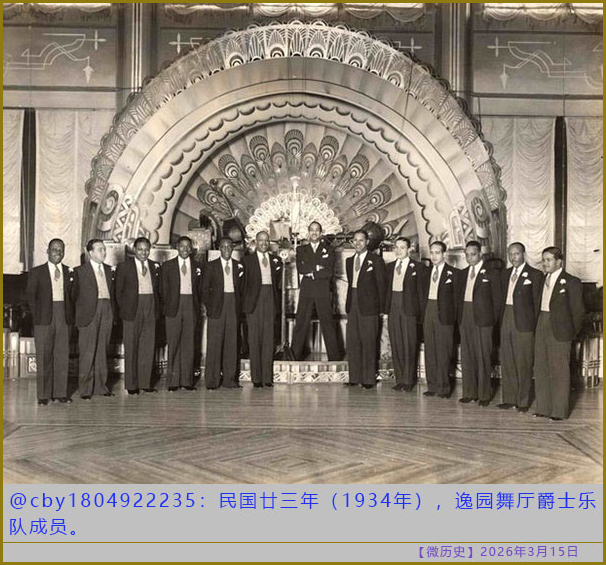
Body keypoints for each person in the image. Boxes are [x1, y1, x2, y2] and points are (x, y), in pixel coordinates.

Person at [533, 246, 584, 421]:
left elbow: (578, 311)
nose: (545, 263)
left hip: (561, 330)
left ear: (559, 262)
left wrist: (571, 333)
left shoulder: (571, 281)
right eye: (543, 260)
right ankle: (543, 408)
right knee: (541, 367)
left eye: (548, 260)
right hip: (541, 324)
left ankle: (559, 411)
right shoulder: (541, 280)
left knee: (559, 370)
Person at [26, 239, 74, 404]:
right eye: (54, 249)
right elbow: (31, 297)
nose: (58, 253)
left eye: (61, 250)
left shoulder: (69, 272)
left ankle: (60, 393)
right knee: (44, 356)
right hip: (44, 318)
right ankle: (43, 395)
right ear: (47, 251)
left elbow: (73, 296)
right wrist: (38, 315)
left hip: (63, 316)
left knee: (62, 355)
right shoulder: (37, 272)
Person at [497, 242, 542, 412]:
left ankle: (523, 401)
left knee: (524, 362)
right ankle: (509, 398)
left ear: (523, 254)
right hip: (506, 317)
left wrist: (533, 326)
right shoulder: (504, 274)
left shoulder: (535, 275)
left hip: (524, 323)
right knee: (507, 360)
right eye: (510, 254)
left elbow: (537, 303)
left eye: (516, 253)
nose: (513, 257)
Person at [115, 237, 162, 394]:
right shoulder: (124, 267)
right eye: (140, 249)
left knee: (147, 346)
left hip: (150, 307)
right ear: (134, 250)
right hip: (132, 310)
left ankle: (145, 383)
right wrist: (125, 310)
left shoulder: (154, 266)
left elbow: (159, 291)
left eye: (146, 249)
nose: (143, 252)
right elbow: (118, 292)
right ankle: (132, 385)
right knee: (131, 347)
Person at [457, 241, 502, 406]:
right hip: (465, 316)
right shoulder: (462, 274)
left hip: (484, 320)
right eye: (467, 255)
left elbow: (497, 301)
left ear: (480, 254)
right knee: (467, 355)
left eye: (473, 254)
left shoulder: (491, 273)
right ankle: (469, 392)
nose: (470, 258)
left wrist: (492, 321)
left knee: (483, 356)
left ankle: (484, 395)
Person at [73, 239, 115, 400]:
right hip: (88, 313)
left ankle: (101, 387)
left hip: (107, 310)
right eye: (100, 249)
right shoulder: (79, 271)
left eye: (104, 249)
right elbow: (73, 296)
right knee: (88, 352)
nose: (104, 252)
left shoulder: (109, 270)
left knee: (102, 350)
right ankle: (85, 389)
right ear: (90, 253)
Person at [291, 221, 340, 361]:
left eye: (317, 230)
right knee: (301, 323)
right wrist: (318, 267)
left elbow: (329, 272)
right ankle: (294, 357)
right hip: (306, 290)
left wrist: (312, 271)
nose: (314, 232)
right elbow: (301, 269)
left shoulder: (329, 250)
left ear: (321, 232)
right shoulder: (301, 249)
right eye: (312, 230)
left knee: (327, 323)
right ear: (308, 232)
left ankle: (334, 359)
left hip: (322, 290)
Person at [344, 230, 387, 389]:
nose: (357, 243)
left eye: (361, 240)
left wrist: (382, 309)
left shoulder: (376, 260)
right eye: (355, 240)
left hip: (370, 306)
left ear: (367, 242)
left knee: (369, 342)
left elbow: (382, 286)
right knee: (353, 341)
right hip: (353, 304)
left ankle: (369, 379)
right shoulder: (349, 261)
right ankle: (354, 377)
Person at [420, 241, 461, 398]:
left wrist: (453, 319)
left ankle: (444, 387)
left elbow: (456, 300)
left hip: (444, 315)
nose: (434, 256)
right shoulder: (426, 272)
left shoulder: (454, 273)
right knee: (430, 350)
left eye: (437, 253)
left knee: (444, 351)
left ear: (444, 254)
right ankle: (432, 385)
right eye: (432, 252)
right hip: (428, 311)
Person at [202, 237, 244, 389]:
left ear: (232, 248)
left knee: (231, 343)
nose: (226, 249)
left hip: (233, 305)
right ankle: (212, 381)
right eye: (223, 247)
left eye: (229, 246)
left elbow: (242, 289)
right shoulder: (211, 266)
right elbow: (204, 289)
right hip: (216, 307)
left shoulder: (239, 266)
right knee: (214, 344)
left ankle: (230, 380)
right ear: (219, 248)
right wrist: (210, 307)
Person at [162, 236, 202, 392]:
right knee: (174, 342)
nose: (185, 249)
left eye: (188, 246)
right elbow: (163, 289)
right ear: (177, 248)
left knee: (189, 343)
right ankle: (173, 381)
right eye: (182, 246)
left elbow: (200, 289)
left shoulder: (197, 266)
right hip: (174, 307)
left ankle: (187, 380)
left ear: (191, 249)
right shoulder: (168, 266)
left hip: (191, 305)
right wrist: (169, 305)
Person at [242, 231, 281, 388]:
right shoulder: (247, 261)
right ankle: (257, 378)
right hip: (254, 302)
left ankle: (267, 378)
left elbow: (277, 282)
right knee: (254, 339)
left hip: (270, 299)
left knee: (268, 339)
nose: (264, 243)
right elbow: (243, 285)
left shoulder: (276, 260)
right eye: (261, 240)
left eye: (266, 240)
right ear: (255, 242)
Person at [384, 237, 422, 392]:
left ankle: (408, 380)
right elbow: (386, 290)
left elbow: (420, 293)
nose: (398, 250)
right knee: (396, 343)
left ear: (409, 249)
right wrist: (386, 310)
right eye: (396, 247)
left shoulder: (418, 267)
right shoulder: (389, 267)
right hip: (393, 307)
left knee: (409, 343)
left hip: (409, 309)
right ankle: (399, 379)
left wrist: (419, 314)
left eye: (402, 247)